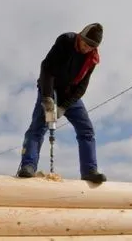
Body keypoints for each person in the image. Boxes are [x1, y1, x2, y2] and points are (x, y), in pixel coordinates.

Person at [17, 23, 107, 184]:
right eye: (85, 44)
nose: (86, 49)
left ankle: (89, 171)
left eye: (91, 47)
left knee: (86, 130)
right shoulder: (66, 41)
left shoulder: (92, 59)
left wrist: (63, 107)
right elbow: (47, 68)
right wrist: (47, 98)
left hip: (70, 94)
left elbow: (82, 87)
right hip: (49, 87)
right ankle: (28, 166)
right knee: (38, 127)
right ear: (80, 37)